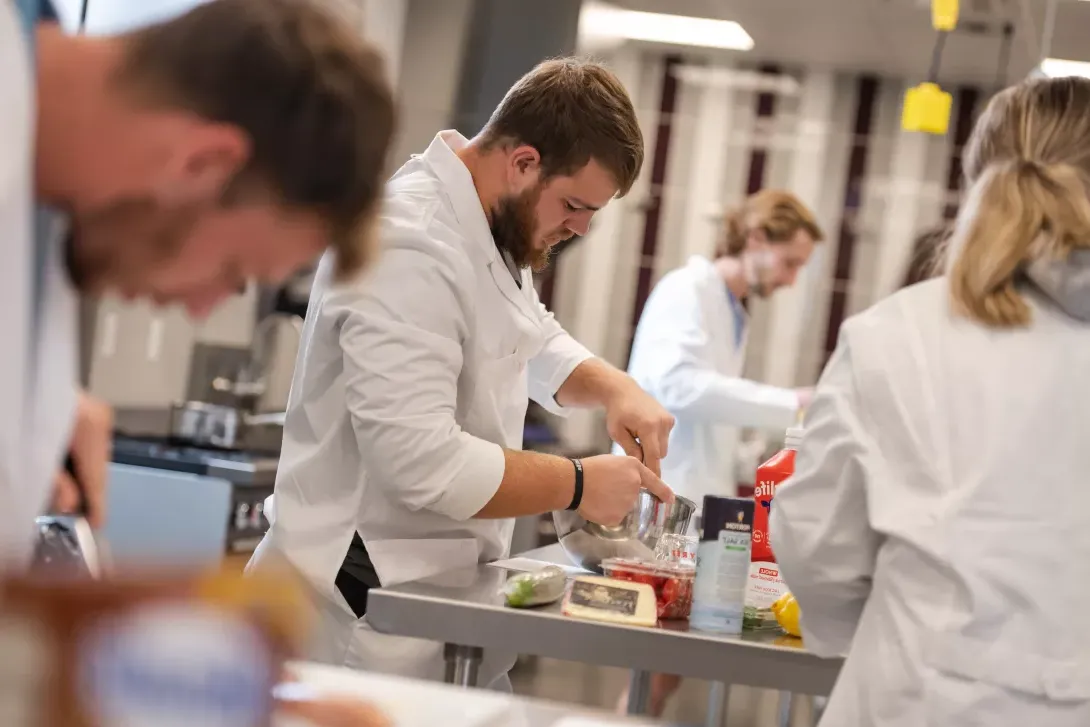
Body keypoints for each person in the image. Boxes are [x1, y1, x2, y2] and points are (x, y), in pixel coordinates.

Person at [248, 57, 676, 688]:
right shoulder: (410, 243)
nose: (581, 227)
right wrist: (579, 483)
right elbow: (419, 459)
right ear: (524, 161)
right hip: (353, 606)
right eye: (575, 205)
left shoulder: (490, 220)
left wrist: (615, 387)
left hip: (428, 593)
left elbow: (527, 335)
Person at [3, 0, 395, 565]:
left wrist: (37, 402)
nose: (199, 307)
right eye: (231, 271)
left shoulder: (53, 204)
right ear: (203, 163)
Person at [771, 75, 1090, 726]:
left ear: (976, 182)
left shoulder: (895, 334)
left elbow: (817, 547)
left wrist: (889, 626)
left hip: (908, 696)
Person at [615, 188, 823, 716]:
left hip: (694, 503)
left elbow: (711, 408)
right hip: (665, 497)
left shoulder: (733, 311)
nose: (792, 279)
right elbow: (678, 387)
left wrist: (756, 457)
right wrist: (791, 403)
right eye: (790, 262)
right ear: (755, 239)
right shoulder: (688, 289)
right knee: (656, 664)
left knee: (667, 670)